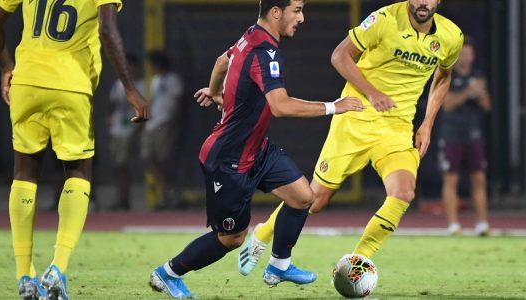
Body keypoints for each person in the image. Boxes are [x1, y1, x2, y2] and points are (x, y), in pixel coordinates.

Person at [148, 0, 364, 298]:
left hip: (256, 150)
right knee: (232, 238)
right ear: (276, 11)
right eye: (297, 10)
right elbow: (280, 105)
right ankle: (168, 273)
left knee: (304, 198)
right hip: (228, 159)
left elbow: (222, 61)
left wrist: (214, 91)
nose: (301, 18)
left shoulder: (251, 35)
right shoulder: (265, 52)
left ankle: (279, 265)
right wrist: (333, 106)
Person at [239, 0, 464, 275]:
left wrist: (427, 123)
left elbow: (443, 75)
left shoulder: (451, 36)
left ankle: (359, 263)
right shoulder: (384, 19)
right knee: (315, 200)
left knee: (404, 192)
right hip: (355, 119)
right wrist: (372, 92)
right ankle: (263, 233)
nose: (422, 2)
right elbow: (339, 56)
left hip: (397, 128)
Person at [0, 0, 149, 299]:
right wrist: (130, 88)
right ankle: (58, 268)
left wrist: (6, 66)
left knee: (25, 174)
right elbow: (107, 29)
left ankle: (24, 275)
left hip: (26, 81)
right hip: (70, 82)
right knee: (79, 170)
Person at [438, 38, 491, 236]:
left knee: (479, 178)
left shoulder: (478, 76)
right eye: (463, 53)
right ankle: (453, 225)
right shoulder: (447, 75)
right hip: (452, 134)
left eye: (469, 53)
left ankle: (482, 224)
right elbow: (448, 104)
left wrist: (480, 93)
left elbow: (487, 106)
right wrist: (468, 92)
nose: (466, 57)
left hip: (473, 134)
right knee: (451, 179)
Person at [142, 51, 183, 209]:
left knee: (164, 159)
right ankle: (167, 187)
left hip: (165, 123)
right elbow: (152, 102)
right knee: (147, 157)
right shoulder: (154, 80)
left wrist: (174, 122)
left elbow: (179, 100)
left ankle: (168, 195)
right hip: (152, 124)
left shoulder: (172, 79)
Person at [108, 53, 145, 210]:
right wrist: (109, 119)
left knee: (127, 165)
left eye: (131, 66)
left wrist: (139, 130)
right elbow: (111, 103)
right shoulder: (118, 84)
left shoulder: (142, 86)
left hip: (132, 130)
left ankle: (127, 200)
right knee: (119, 166)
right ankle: (122, 199)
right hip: (118, 130)